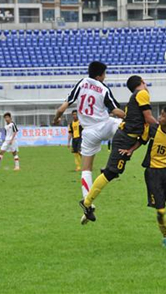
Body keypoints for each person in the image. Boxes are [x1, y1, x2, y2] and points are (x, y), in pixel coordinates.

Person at [80, 75, 158, 224]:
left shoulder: (137, 98)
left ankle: (89, 199)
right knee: (111, 172)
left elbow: (144, 131)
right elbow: (148, 118)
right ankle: (87, 202)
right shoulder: (142, 94)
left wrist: (132, 149)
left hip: (127, 140)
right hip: (124, 139)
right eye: (144, 82)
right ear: (142, 83)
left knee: (113, 172)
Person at [52, 61, 125, 214]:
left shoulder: (82, 83)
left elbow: (63, 107)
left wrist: (56, 119)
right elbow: (115, 110)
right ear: (99, 75)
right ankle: (113, 163)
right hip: (105, 125)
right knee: (127, 129)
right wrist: (132, 117)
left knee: (86, 169)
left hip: (88, 133)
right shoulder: (103, 88)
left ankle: (87, 203)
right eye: (104, 74)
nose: (105, 77)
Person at [120, 106, 166, 248]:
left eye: (163, 116)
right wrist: (130, 150)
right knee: (160, 211)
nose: (159, 117)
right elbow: (141, 140)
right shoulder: (153, 129)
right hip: (152, 174)